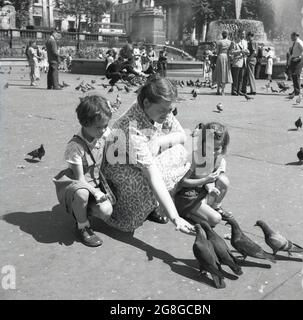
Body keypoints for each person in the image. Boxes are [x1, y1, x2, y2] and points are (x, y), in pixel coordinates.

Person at [102, 75, 195, 235]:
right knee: (153, 176)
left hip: (139, 159)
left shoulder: (157, 108)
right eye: (163, 111)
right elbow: (152, 175)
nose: (167, 115)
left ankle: (154, 204)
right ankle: (126, 212)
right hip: (119, 170)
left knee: (179, 151)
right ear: (146, 103)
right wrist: (175, 218)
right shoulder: (132, 128)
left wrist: (159, 142)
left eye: (170, 110)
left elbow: (181, 135)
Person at [53, 95, 115, 247]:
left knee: (106, 211)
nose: (103, 130)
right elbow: (80, 180)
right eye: (98, 127)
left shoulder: (104, 133)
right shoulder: (75, 146)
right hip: (78, 184)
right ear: (84, 123)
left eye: (105, 125)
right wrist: (97, 193)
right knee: (82, 194)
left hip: (96, 181)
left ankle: (83, 209)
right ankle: (82, 225)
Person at [175, 122, 233, 227]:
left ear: (223, 147)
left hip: (202, 192)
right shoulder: (195, 157)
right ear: (202, 143)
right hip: (187, 196)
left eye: (217, 149)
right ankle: (184, 212)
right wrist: (205, 181)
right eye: (209, 148)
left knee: (224, 180)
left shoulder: (220, 160)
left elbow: (209, 179)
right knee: (215, 220)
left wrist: (210, 188)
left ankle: (215, 207)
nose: (213, 152)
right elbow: (182, 182)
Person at [212, 30, 232, 95]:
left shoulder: (219, 42)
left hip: (220, 57)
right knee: (225, 73)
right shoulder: (229, 42)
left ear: (222, 35)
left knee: (219, 73)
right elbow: (230, 52)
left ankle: (218, 90)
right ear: (227, 35)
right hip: (226, 57)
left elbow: (217, 52)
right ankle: (223, 91)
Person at [288, 32, 303, 98]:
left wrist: (299, 57)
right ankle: (296, 90)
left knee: (296, 75)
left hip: (299, 60)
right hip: (294, 60)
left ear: (295, 36)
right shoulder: (295, 42)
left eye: (291, 36)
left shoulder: (299, 42)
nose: (291, 38)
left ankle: (297, 91)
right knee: (294, 75)